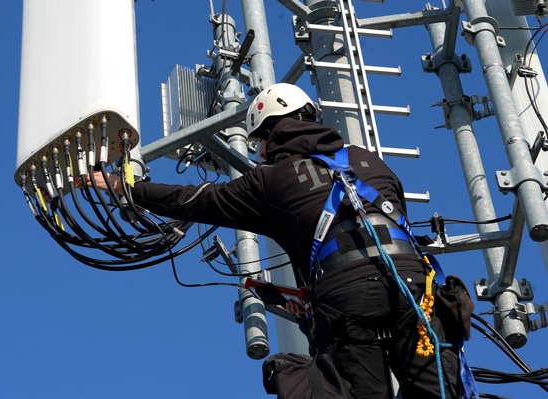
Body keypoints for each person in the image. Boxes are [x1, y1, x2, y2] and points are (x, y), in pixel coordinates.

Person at [86, 83, 462, 398]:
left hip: (347, 298)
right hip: (414, 287)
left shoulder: (269, 180)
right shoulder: (369, 160)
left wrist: (124, 188)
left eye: (259, 144)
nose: (260, 153)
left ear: (268, 135)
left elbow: (195, 200)